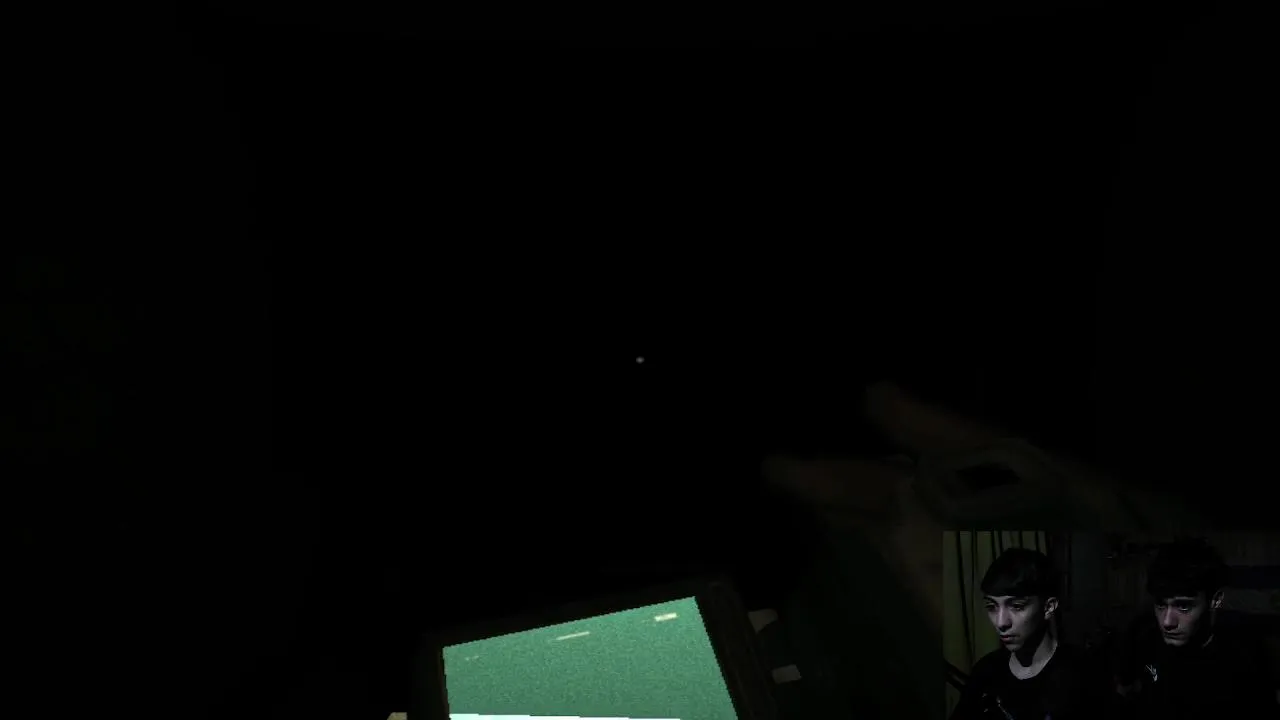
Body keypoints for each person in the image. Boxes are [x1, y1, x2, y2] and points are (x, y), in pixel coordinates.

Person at [1112, 538, 1279, 719]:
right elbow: (1123, 690)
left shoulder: (1245, 657)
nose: (1167, 622)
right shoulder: (1142, 636)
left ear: (1215, 600)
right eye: (1160, 605)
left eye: (1183, 606)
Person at [949, 548, 1109, 720]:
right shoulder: (985, 672)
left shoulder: (1084, 673)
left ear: (1048, 607)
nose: (1001, 622)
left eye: (1017, 606)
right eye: (991, 607)